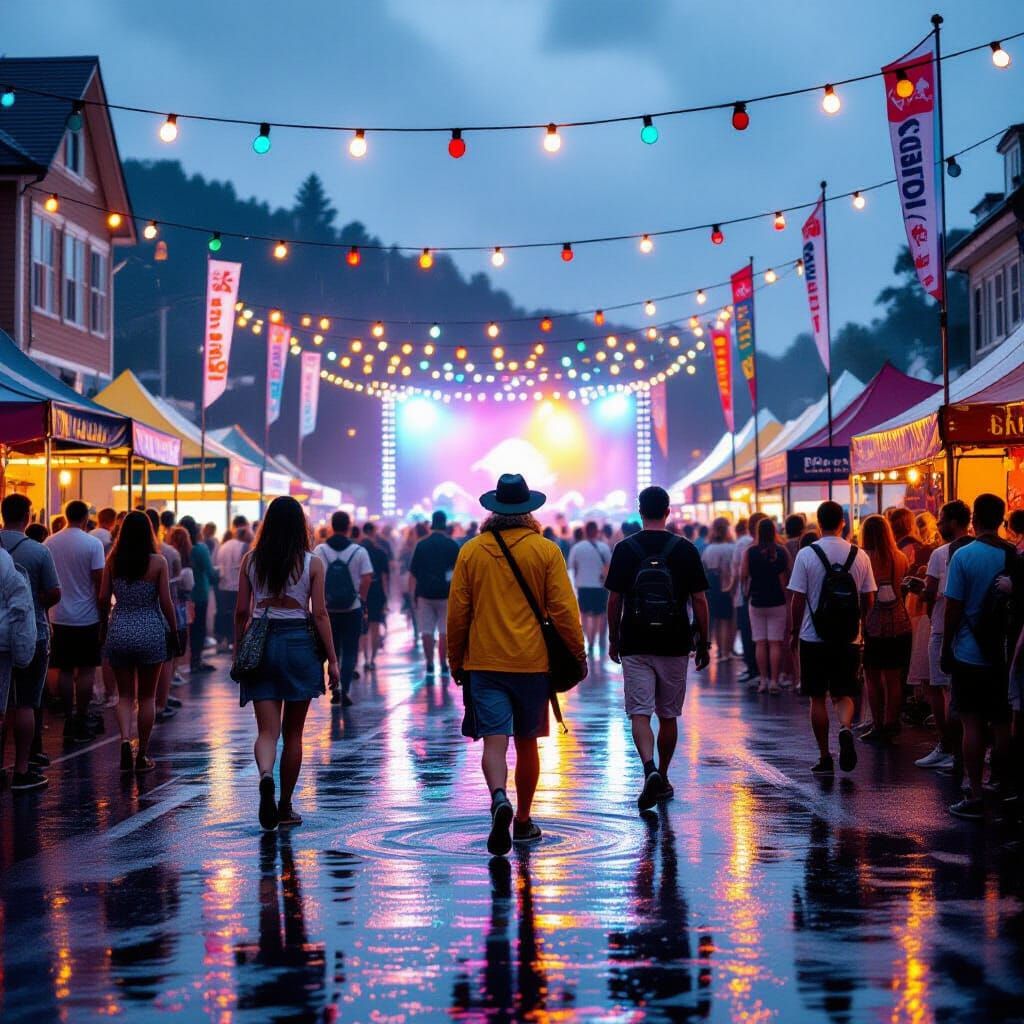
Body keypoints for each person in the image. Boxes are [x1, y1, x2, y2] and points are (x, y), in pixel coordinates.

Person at [447, 474, 586, 855]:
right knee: (527, 745)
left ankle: (497, 798)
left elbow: (458, 612)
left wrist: (455, 659)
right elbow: (563, 611)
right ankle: (523, 820)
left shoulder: (472, 551)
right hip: (531, 663)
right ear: (529, 510)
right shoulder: (545, 550)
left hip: (484, 662)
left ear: (493, 510)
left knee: (493, 742)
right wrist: (578, 654)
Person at [235, 496, 339, 831]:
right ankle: (284, 805)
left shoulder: (251, 560)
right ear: (301, 526)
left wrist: (240, 648)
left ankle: (266, 775)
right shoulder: (313, 563)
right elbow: (320, 613)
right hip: (298, 644)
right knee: (294, 734)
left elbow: (240, 611)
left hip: (262, 641)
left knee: (267, 731)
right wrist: (333, 660)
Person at [605, 486, 710, 811]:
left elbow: (614, 599)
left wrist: (613, 638)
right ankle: (662, 777)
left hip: (635, 640)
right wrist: (703, 641)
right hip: (674, 641)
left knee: (639, 712)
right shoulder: (685, 549)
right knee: (668, 714)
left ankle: (648, 767)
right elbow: (699, 600)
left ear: (640, 511)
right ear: (667, 511)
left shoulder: (625, 548)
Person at [942, 493, 1017, 821]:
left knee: (970, 722)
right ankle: (1004, 783)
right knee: (1003, 723)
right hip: (1005, 652)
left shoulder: (963, 555)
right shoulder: (1014, 555)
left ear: (974, 519)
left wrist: (946, 646)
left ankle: (974, 792)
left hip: (969, 652)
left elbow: (953, 607)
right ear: (1002, 520)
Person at [788, 501, 876, 776]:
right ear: (843, 523)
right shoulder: (859, 555)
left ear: (819, 522)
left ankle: (825, 755)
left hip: (813, 637)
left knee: (817, 697)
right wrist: (859, 625)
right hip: (849, 637)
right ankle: (846, 729)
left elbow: (797, 599)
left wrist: (794, 632)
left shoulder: (806, 554)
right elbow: (869, 597)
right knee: (844, 693)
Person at [99, 511, 176, 774]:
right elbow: (165, 601)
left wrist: (103, 625)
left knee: (124, 696)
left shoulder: (113, 561)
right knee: (147, 697)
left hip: (120, 628)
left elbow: (102, 598)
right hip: (150, 630)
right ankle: (142, 752)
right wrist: (174, 629)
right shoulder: (158, 562)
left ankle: (123, 740)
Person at [0, 494, 57, 791]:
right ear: (28, 515)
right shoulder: (38, 551)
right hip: (29, 633)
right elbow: (54, 591)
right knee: (25, 703)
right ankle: (22, 769)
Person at [913, 500, 971, 771]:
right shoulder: (987, 550)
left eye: (941, 519)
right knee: (963, 692)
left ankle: (947, 745)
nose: (938, 524)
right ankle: (964, 749)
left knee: (939, 688)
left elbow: (930, 593)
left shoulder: (940, 554)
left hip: (942, 626)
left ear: (954, 523)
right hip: (973, 630)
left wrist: (918, 588)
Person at [44, 500, 106, 744]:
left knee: (65, 669)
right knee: (87, 668)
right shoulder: (93, 544)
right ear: (86, 519)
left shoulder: (50, 542)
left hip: (59, 615)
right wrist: (104, 616)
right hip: (87, 615)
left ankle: (68, 715)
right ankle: (81, 715)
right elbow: (99, 582)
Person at [859, 514, 912, 744]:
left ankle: (878, 724)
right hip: (900, 622)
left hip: (873, 623)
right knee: (894, 677)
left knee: (872, 676)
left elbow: (863, 595)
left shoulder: (863, 558)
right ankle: (892, 722)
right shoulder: (899, 557)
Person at [314, 510, 372, 706]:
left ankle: (334, 688)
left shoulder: (320, 551)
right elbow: (367, 578)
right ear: (348, 527)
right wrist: (361, 598)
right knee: (350, 651)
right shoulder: (359, 552)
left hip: (328, 610)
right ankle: (344, 688)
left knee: (333, 652)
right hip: (352, 609)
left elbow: (312, 577)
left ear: (331, 526)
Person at [741, 518, 791, 694]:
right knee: (776, 643)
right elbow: (788, 577)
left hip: (757, 601)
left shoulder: (750, 552)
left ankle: (763, 680)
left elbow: (744, 575)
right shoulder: (781, 551)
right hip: (777, 601)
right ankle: (775, 682)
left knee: (760, 643)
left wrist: (746, 591)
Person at [409, 510, 461, 678]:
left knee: (426, 630)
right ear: (445, 525)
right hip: (446, 594)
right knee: (444, 630)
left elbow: (413, 573)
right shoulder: (452, 545)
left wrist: (412, 595)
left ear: (432, 524)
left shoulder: (421, 544)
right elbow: (459, 572)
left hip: (425, 594)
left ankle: (430, 663)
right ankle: (443, 663)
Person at [568, 521, 612, 657]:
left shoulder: (577, 548)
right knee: (599, 615)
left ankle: (589, 641)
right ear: (596, 531)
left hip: (583, 586)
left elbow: (571, 566)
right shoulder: (603, 547)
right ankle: (595, 641)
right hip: (600, 586)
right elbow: (610, 565)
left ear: (585, 532)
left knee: (585, 615)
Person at [180, 516, 218, 674]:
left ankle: (185, 662)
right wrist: (217, 578)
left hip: (183, 594)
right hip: (200, 593)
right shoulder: (201, 549)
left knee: (185, 629)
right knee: (199, 628)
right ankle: (196, 660)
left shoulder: (178, 546)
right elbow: (209, 571)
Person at [732, 514, 765, 683]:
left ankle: (753, 668)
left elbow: (739, 572)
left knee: (748, 633)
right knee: (768, 638)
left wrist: (735, 590)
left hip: (748, 596)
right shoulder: (777, 547)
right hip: (773, 597)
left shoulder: (745, 546)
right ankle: (767, 674)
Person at [700, 517, 735, 663]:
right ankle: (727, 651)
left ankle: (720, 651)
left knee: (717, 620)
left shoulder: (709, 549)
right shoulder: (731, 548)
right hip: (726, 584)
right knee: (728, 620)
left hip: (712, 586)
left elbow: (704, 567)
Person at [215, 521, 249, 652]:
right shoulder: (243, 546)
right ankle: (233, 640)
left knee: (225, 613)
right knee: (236, 614)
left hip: (223, 585)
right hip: (236, 586)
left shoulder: (223, 546)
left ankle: (225, 639)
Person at [361, 522, 390, 670]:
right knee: (375, 625)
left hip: (361, 591)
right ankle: (372, 659)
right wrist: (386, 597)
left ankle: (364, 658)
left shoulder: (358, 551)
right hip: (377, 590)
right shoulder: (381, 552)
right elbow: (385, 578)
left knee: (363, 628)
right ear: (373, 532)